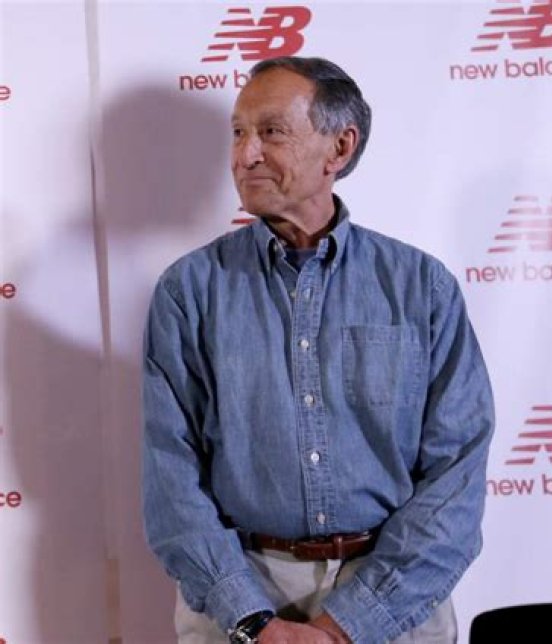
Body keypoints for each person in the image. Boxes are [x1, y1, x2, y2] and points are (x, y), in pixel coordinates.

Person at [142, 56, 494, 644]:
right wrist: (252, 619)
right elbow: (170, 476)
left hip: (395, 595)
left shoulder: (420, 287)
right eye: (238, 133)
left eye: (271, 132)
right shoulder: (189, 291)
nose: (245, 155)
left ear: (340, 148)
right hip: (240, 597)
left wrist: (349, 624)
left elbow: (456, 472)